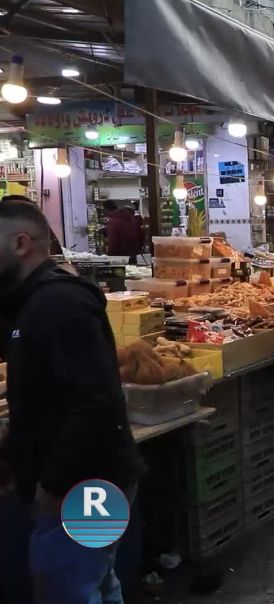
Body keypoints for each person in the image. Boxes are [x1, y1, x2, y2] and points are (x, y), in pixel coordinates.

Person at [0, 199, 146, 603]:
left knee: (71, 589)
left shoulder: (58, 303)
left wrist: (57, 482)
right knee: (92, 582)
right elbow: (46, 396)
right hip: (82, 478)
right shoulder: (33, 304)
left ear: (20, 243)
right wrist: (15, 450)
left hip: (86, 485)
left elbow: (95, 401)